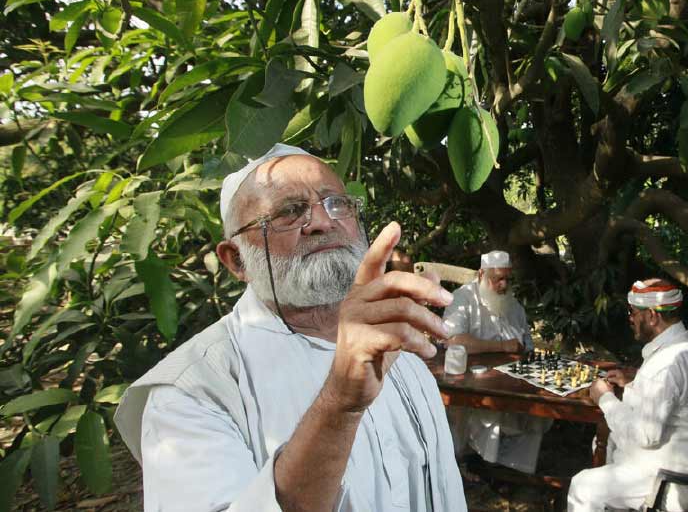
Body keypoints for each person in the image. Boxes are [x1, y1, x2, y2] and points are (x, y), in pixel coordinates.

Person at [113, 144, 467, 512]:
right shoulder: (192, 391)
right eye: (289, 211)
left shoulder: (399, 350)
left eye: (336, 203)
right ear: (236, 260)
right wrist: (341, 401)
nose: (322, 221)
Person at [567, 280, 688, 512]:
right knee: (606, 442)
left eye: (633, 312)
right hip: (686, 467)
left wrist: (605, 398)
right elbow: (674, 396)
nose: (630, 318)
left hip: (672, 481)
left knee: (583, 486)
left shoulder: (666, 364)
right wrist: (635, 384)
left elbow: (646, 435)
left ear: (653, 316)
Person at [442, 251, 547, 474]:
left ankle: (514, 470)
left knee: (537, 411)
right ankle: (480, 464)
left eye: (508, 279)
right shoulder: (463, 298)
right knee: (490, 413)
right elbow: (453, 340)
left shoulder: (514, 306)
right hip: (472, 384)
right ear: (482, 274)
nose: (504, 285)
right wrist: (502, 346)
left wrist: (523, 350)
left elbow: (527, 346)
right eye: (498, 279)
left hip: (512, 382)